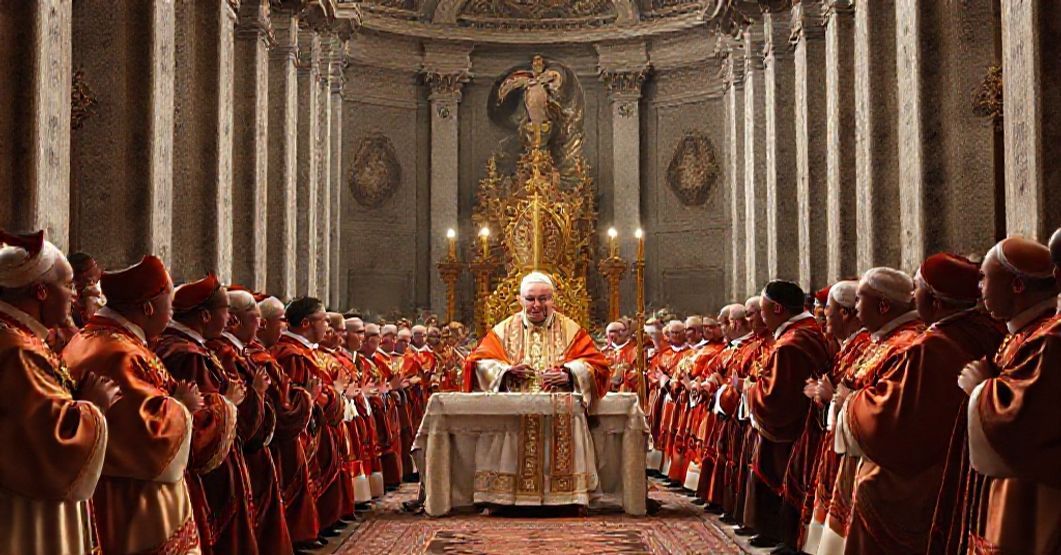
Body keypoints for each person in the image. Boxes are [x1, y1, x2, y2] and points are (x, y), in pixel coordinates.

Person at [838, 254, 1004, 555]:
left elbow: (896, 418)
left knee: (870, 488)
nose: (913, 297)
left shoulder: (932, 346)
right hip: (964, 458)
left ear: (937, 302)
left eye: (918, 289)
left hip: (932, 469)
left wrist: (851, 403)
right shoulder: (987, 330)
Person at [64, 255, 203, 554]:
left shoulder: (110, 338)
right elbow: (144, 435)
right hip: (132, 500)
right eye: (170, 302)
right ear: (149, 307)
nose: (173, 311)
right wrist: (181, 406)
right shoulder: (117, 352)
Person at [0, 230, 116, 555]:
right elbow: (50, 444)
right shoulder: (18, 350)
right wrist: (93, 408)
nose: (74, 297)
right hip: (26, 513)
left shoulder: (26, 339)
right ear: (39, 291)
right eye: (67, 285)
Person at [462, 271, 611, 508]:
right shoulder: (504, 329)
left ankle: (566, 498)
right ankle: (506, 499)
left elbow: (598, 365)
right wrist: (505, 371)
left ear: (554, 299)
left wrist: (570, 374)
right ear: (520, 300)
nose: (537, 305)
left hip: (560, 406)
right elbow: (477, 362)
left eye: (544, 298)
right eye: (530, 299)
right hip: (515, 408)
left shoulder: (571, 329)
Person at [960, 236, 1061, 554]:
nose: (980, 289)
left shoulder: (1049, 339)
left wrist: (981, 389)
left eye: (985, 278)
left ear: (1017, 285)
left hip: (1035, 498)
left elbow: (1023, 419)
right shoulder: (1025, 332)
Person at [819, 268, 925, 555]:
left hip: (882, 463)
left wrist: (847, 401)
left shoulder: (906, 345)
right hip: (855, 450)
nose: (854, 308)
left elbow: (888, 409)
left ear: (883, 306)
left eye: (859, 299)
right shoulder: (882, 340)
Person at [152, 274, 257, 555]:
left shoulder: (192, 348)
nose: (230, 321)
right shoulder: (186, 354)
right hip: (205, 465)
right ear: (206, 316)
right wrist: (228, 402)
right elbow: (200, 417)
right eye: (226, 312)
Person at [744, 281, 832, 553]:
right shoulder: (803, 333)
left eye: (762, 309)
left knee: (787, 477)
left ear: (778, 309)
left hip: (794, 429)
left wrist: (750, 390)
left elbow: (776, 398)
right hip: (806, 420)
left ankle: (787, 538)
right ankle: (775, 534)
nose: (759, 316)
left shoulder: (793, 342)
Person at [207, 290, 294, 555]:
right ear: (234, 319)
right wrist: (256, 392)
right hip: (231, 447)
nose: (261, 325)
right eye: (257, 317)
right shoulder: (223, 353)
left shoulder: (241, 351)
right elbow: (236, 402)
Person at [270, 297, 347, 549]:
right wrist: (330, 396)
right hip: (300, 427)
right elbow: (300, 392)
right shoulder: (290, 353)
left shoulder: (304, 352)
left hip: (314, 422)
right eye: (324, 320)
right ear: (305, 323)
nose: (328, 326)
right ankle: (299, 533)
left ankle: (314, 526)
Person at [800, 281, 868, 554]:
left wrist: (830, 397)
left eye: (827, 308)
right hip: (837, 436)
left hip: (852, 443)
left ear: (845, 313)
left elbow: (851, 392)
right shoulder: (850, 346)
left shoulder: (862, 346)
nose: (822, 314)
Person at [255, 296, 322, 548]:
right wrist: (309, 398)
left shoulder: (293, 352)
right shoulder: (289, 353)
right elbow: (289, 393)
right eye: (323, 320)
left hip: (302, 420)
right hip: (287, 427)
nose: (283, 326)